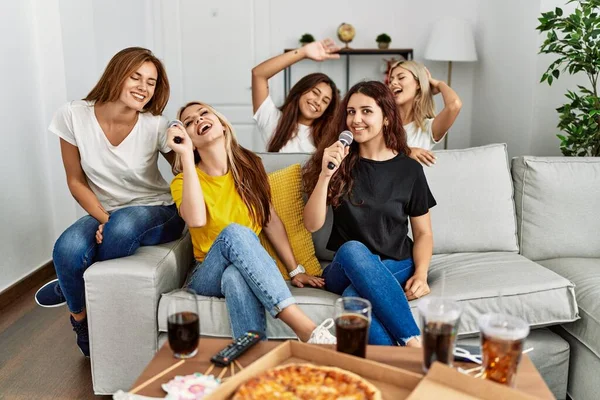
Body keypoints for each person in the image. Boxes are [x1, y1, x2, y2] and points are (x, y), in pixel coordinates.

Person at [34, 47, 185, 357]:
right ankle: (81, 320)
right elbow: (75, 181)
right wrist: (105, 220)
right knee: (67, 249)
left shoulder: (156, 124)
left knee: (123, 228)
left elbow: (182, 170)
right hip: (107, 209)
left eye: (151, 82)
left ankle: (68, 283)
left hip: (157, 210)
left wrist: (184, 149)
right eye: (136, 77)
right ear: (116, 74)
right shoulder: (73, 115)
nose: (144, 88)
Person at [167, 100, 335, 343]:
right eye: (189, 123)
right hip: (206, 273)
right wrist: (184, 156)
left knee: (236, 275)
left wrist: (295, 270)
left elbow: (270, 221)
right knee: (235, 232)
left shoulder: (250, 166)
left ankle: (251, 359)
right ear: (189, 140)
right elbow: (196, 219)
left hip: (240, 268)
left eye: (204, 114)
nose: (198, 120)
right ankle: (304, 326)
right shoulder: (184, 181)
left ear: (223, 125)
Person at [302, 81, 437, 347]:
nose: (356, 119)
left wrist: (420, 274)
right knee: (353, 249)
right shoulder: (337, 160)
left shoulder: (409, 170)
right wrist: (325, 174)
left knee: (354, 299)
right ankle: (414, 343)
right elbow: (312, 224)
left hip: (397, 261)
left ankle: (397, 365)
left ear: (386, 118)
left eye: (366, 111)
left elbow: (423, 233)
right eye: (351, 112)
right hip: (344, 265)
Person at [251, 38, 341, 152]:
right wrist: (303, 52)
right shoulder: (272, 119)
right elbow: (258, 74)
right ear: (301, 89)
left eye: (325, 101)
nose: (318, 102)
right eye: (315, 92)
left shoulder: (328, 137)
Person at [388, 60, 462, 166]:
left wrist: (439, 84)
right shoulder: (383, 121)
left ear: (418, 84)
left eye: (401, 77)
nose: (393, 83)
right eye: (390, 81)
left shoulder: (428, 128)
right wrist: (406, 151)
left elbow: (454, 105)